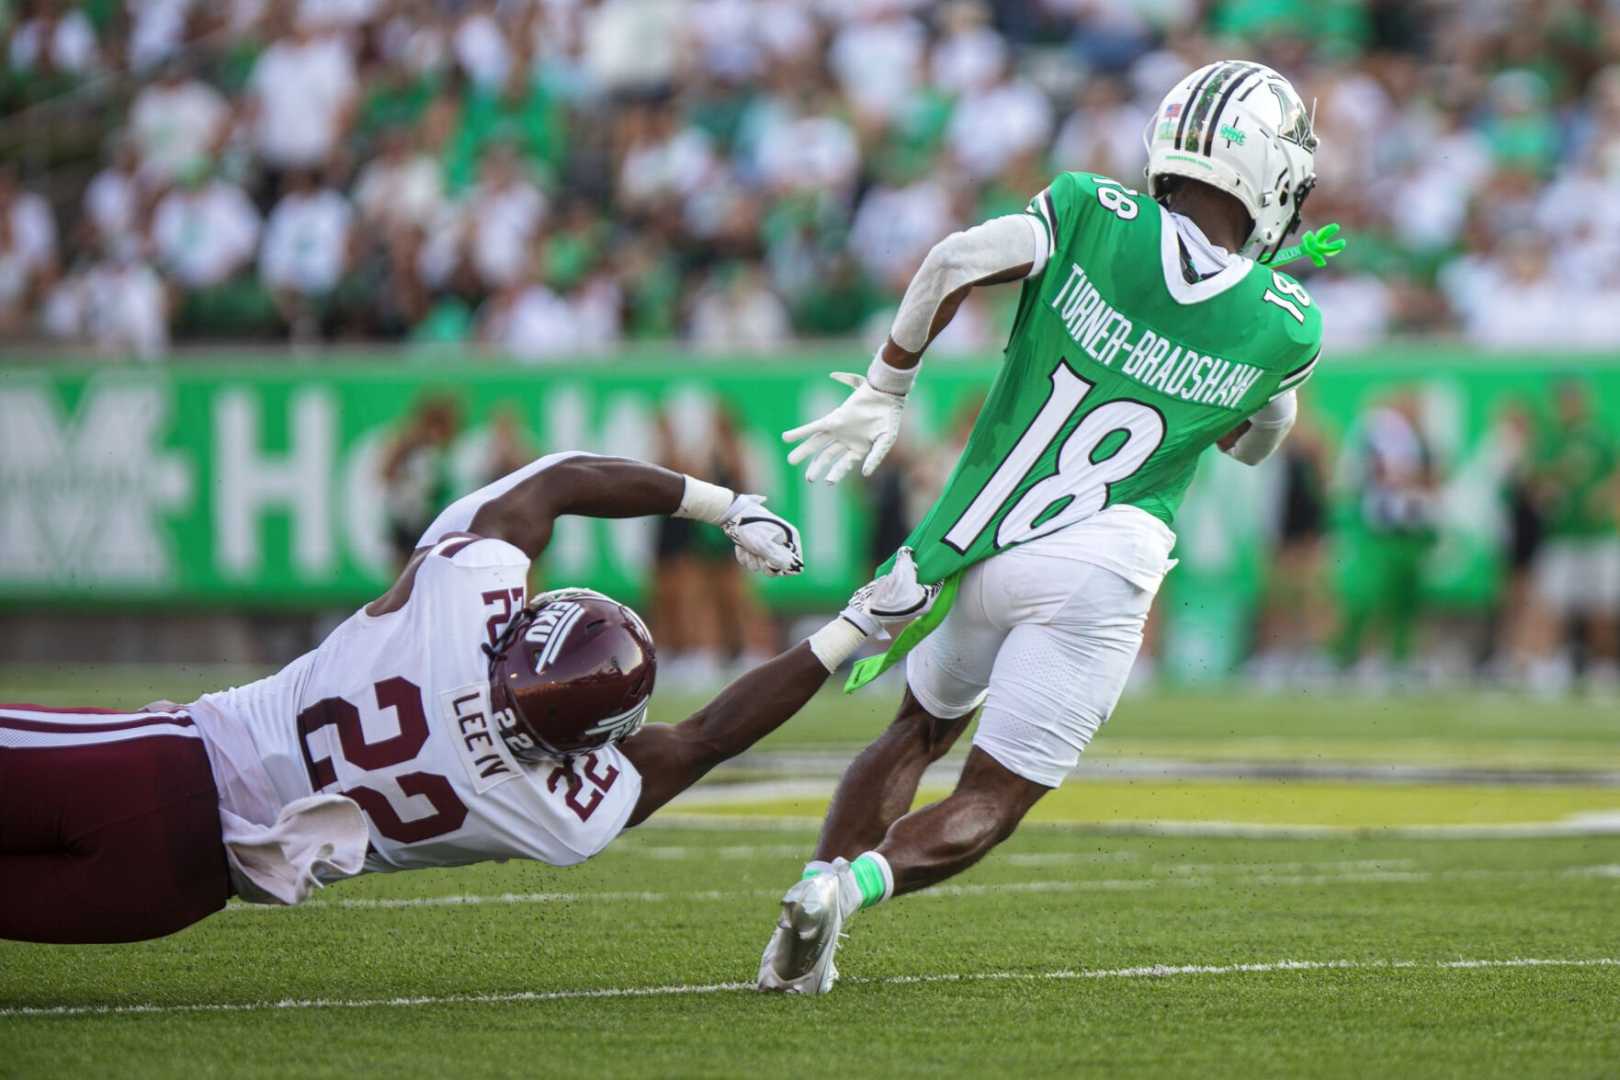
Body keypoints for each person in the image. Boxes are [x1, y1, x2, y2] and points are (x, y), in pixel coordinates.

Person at [758, 61, 1325, 994]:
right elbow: (1257, 444)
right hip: (1104, 558)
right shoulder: (1290, 323)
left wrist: (887, 384)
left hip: (994, 537)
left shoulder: (1092, 208)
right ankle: (850, 892)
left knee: (916, 730)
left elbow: (951, 262)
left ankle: (813, 882)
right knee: (993, 794)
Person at [0, 452, 934, 944]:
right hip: (182, 889)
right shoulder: (557, 814)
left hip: (155, 768)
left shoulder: (460, 603)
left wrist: (721, 503)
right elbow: (702, 740)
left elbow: (560, 481)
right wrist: (855, 629)